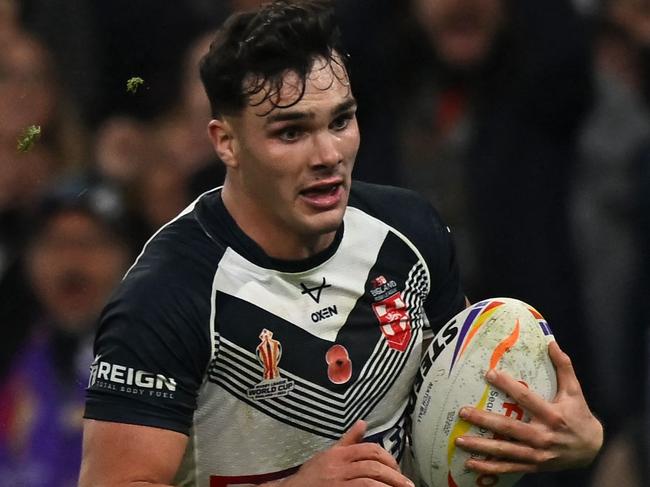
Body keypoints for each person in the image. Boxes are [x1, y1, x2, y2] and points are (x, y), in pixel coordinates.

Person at [79, 2, 603, 486]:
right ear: (226, 143)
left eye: (341, 120)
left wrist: (564, 438)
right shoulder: (167, 293)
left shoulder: (411, 233)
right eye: (291, 132)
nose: (328, 153)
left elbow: (455, 416)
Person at [0, 177, 132, 486]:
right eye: (54, 243)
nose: (72, 261)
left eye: (90, 243)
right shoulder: (16, 357)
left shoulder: (161, 359)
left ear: (128, 257)